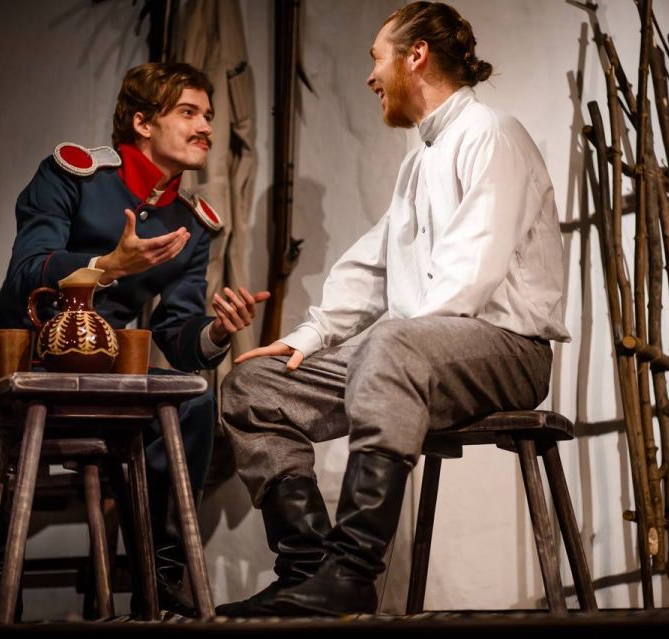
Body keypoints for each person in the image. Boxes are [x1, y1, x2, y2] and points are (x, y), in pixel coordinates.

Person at [217, 1, 570, 617]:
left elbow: (469, 277)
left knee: (391, 344)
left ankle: (352, 571)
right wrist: (309, 337)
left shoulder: (490, 134)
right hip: (416, 353)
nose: (370, 75)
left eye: (376, 58)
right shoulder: (420, 160)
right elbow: (374, 265)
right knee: (254, 387)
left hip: (506, 350)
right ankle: (309, 570)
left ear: (416, 56)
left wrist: (389, 348)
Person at [0, 61, 266, 617]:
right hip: (14, 355)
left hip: (98, 371)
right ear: (142, 122)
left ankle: (161, 582)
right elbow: (26, 272)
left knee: (193, 403)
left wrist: (215, 331)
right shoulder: (73, 176)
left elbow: (176, 333)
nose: (206, 126)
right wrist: (107, 265)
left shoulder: (192, 223)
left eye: (208, 115)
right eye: (188, 112)